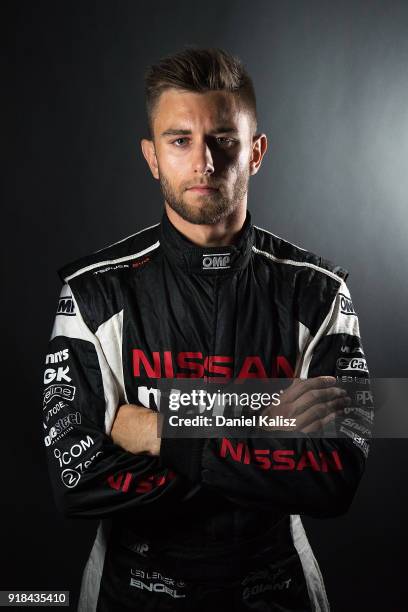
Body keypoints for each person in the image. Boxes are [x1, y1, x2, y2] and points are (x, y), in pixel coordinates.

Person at [42, 47, 372, 611]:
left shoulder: (319, 294)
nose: (204, 163)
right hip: (131, 590)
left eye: (224, 140)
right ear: (151, 156)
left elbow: (335, 476)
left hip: (277, 590)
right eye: (180, 141)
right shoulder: (95, 292)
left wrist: (161, 434)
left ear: (257, 152)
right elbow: (76, 480)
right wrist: (262, 427)